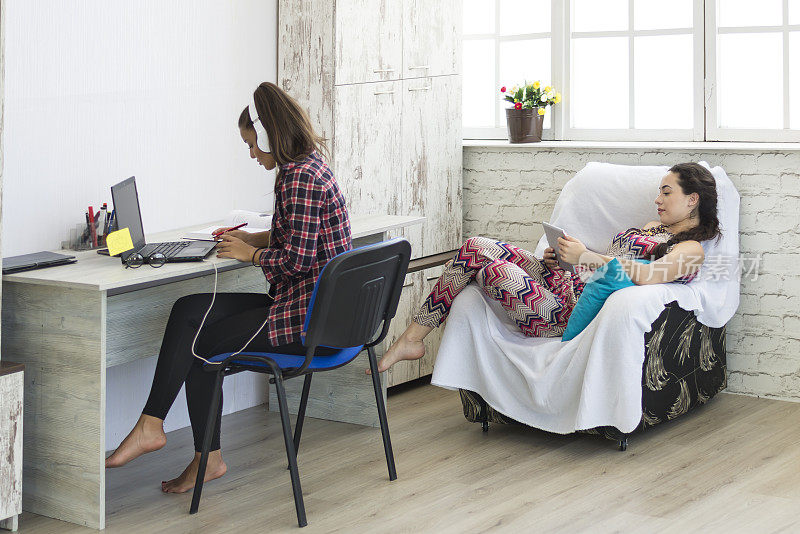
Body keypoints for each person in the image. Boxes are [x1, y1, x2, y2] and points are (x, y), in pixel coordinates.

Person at [105, 82, 352, 494]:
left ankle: (198, 452)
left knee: (199, 342)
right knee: (188, 309)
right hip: (317, 312)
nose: (252, 154)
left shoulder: (298, 179)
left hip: (308, 322)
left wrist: (247, 256)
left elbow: (298, 260)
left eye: (252, 144)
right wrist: (254, 239)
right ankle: (157, 427)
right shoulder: (309, 166)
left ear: (271, 135)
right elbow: (298, 236)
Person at [370, 162, 720, 375]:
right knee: (475, 245)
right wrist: (566, 259)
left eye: (666, 192)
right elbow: (608, 264)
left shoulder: (690, 251)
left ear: (692, 200)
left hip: (563, 315)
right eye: (659, 192)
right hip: (565, 282)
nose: (657, 199)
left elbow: (644, 274)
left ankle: (412, 337)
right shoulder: (651, 227)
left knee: (488, 268)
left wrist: (585, 256)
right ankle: (413, 339)